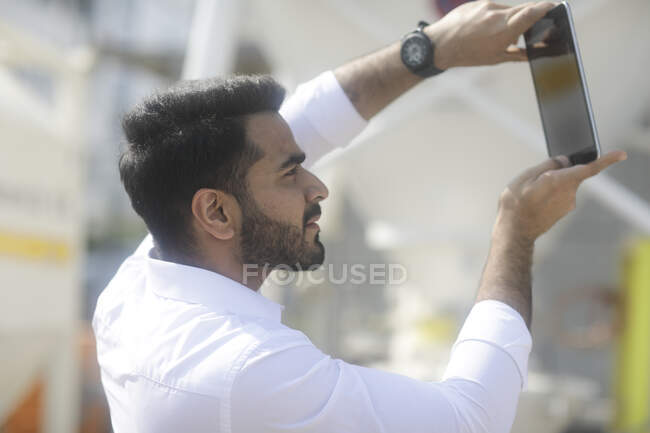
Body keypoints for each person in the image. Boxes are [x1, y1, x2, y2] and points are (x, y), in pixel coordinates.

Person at [93, 2, 627, 432]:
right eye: (290, 174)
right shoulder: (248, 371)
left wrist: (430, 49)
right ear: (215, 210)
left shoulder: (138, 288)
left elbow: (310, 118)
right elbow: (472, 420)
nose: (318, 186)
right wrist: (515, 233)